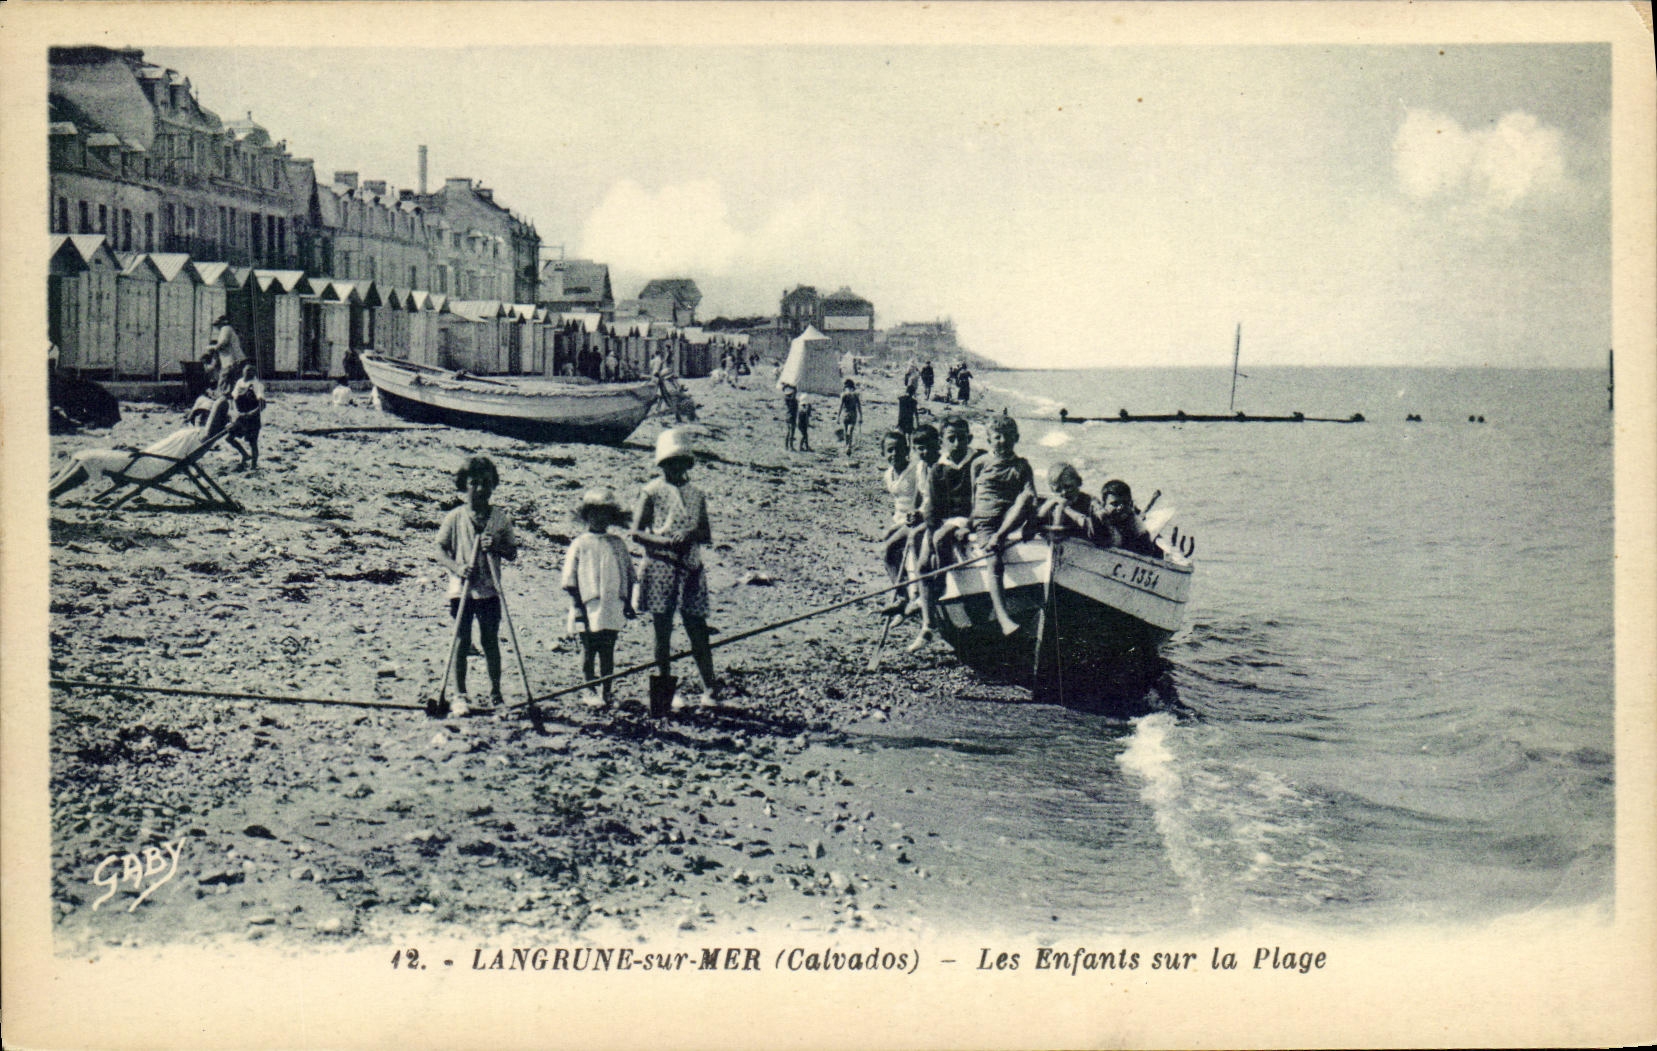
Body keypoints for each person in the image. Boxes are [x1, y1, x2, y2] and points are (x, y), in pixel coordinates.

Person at [631, 429, 722, 712]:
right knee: (663, 630)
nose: (675, 467)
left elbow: (706, 532)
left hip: (691, 567)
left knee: (697, 627)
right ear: (661, 465)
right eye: (670, 463)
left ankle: (710, 688)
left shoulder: (697, 494)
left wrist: (691, 535)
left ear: (688, 464)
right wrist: (667, 541)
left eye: (681, 462)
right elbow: (636, 532)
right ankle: (663, 694)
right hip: (661, 566)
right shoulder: (652, 491)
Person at [434, 456, 519, 716]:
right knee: (462, 641)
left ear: (493, 485)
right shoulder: (455, 517)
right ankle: (460, 694)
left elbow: (512, 552)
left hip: (490, 590)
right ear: (464, 485)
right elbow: (439, 549)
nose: (480, 489)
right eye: (474, 483)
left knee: (490, 641)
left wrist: (496, 546)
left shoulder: (499, 518)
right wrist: (457, 568)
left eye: (486, 483)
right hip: (462, 590)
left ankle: (496, 693)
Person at [48, 401, 229, 500]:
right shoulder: (194, 432)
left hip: (147, 466)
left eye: (203, 415)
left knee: (90, 460)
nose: (197, 418)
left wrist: (221, 402)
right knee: (82, 455)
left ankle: (51, 494)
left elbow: (221, 404)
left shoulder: (200, 436)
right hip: (144, 458)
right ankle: (50, 489)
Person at [562, 488, 637, 709]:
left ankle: (607, 690)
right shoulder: (580, 543)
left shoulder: (618, 543)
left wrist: (629, 602)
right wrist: (577, 605)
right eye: (594, 513)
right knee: (588, 648)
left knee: (607, 649)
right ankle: (589, 688)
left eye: (605, 513)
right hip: (587, 604)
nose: (599, 518)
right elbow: (570, 577)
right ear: (586, 516)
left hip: (612, 605)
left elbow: (629, 575)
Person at [968, 414, 1035, 635]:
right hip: (986, 521)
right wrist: (968, 525)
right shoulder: (979, 463)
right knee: (994, 561)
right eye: (997, 437)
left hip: (1010, 520)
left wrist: (1030, 524)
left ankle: (1000, 536)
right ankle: (1004, 618)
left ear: (1016, 438)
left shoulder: (1022, 465)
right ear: (989, 440)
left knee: (1025, 498)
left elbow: (1030, 496)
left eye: (1008, 436)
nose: (1003, 441)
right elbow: (973, 497)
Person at [1095, 479, 1162, 559]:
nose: (1120, 507)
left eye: (1125, 503)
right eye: (1114, 504)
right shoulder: (1096, 522)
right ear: (1104, 504)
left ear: (1130, 504)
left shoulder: (1137, 527)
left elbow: (1149, 554)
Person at [1037, 462, 1098, 538]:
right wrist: (1046, 507)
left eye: (1068, 487)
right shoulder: (1049, 503)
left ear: (1078, 482)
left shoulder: (1090, 502)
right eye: (1058, 489)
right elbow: (1031, 525)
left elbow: (1096, 532)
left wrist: (1066, 509)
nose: (1064, 492)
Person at [225, 362, 266, 472]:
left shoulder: (257, 385)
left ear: (254, 373)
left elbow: (262, 404)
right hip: (240, 417)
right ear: (242, 372)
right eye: (246, 371)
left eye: (251, 371)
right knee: (229, 438)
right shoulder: (239, 382)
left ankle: (254, 465)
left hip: (252, 418)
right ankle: (244, 454)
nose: (248, 373)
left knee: (253, 442)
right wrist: (235, 411)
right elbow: (233, 398)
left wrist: (251, 414)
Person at [202, 315, 246, 396]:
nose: (216, 327)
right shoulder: (229, 330)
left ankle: (223, 396)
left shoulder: (225, 329)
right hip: (233, 360)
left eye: (217, 325)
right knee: (232, 380)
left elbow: (222, 343)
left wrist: (211, 347)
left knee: (224, 379)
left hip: (231, 360)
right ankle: (231, 396)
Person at [837, 379, 863, 456]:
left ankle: (847, 445)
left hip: (846, 414)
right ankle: (848, 446)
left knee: (846, 431)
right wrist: (861, 417)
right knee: (850, 430)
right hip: (852, 414)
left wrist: (838, 417)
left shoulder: (844, 395)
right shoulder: (855, 395)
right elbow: (859, 407)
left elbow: (840, 406)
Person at [782, 383, 799, 451]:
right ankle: (790, 446)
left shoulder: (787, 400)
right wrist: (794, 388)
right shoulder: (793, 401)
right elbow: (794, 394)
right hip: (792, 416)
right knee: (791, 432)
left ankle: (786, 446)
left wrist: (786, 386)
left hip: (788, 416)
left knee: (788, 432)